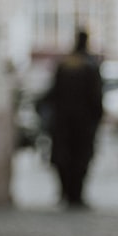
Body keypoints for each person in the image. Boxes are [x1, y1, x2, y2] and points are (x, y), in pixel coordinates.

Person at [41, 29, 104, 207]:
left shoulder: (65, 64)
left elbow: (52, 93)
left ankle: (66, 192)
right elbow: (96, 97)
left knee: (63, 157)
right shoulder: (90, 65)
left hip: (62, 122)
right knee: (81, 159)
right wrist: (97, 118)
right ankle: (76, 195)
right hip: (83, 123)